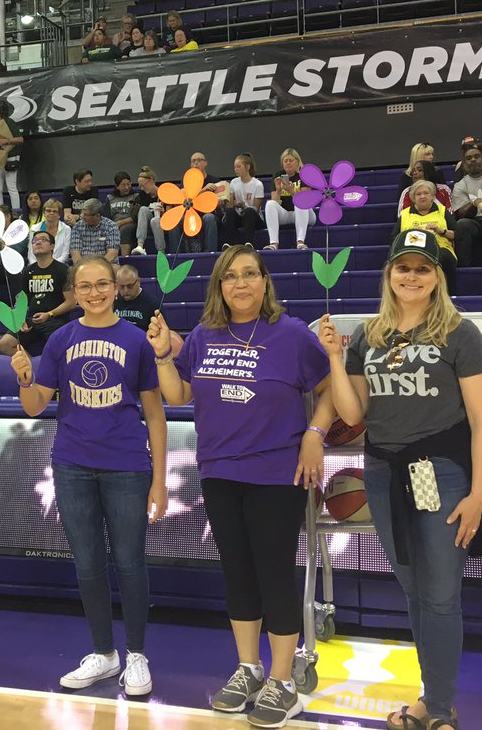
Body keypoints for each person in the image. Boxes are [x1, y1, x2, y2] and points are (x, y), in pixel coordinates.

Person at [319, 229, 482, 730]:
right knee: (416, 591)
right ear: (389, 274)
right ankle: (430, 697)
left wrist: (478, 494)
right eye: (403, 267)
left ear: (437, 276)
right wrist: (335, 357)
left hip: (440, 473)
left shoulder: (460, 334)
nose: (411, 276)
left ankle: (439, 708)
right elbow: (355, 412)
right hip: (383, 473)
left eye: (422, 268)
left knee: (440, 594)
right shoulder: (369, 335)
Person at [148, 246, 332, 729]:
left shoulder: (292, 335)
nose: (241, 284)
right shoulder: (205, 336)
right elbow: (179, 394)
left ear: (265, 282)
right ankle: (248, 668)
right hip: (219, 471)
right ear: (219, 287)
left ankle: (283, 682)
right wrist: (164, 354)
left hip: (276, 472)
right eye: (230, 277)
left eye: (250, 274)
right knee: (238, 572)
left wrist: (314, 435)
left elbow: (331, 389)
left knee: (273, 572)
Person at [11, 256, 168, 696]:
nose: (95, 293)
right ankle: (104, 652)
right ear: (73, 293)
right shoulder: (60, 339)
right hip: (72, 464)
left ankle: (136, 654)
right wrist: (25, 378)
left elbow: (155, 416)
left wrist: (159, 479)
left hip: (127, 466)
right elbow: (35, 405)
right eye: (85, 286)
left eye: (103, 284)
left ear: (116, 289)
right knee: (87, 564)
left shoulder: (136, 341)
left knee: (131, 562)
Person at [0, 231, 74, 357]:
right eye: (35, 240)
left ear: (52, 246)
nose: (38, 242)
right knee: (4, 344)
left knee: (58, 348)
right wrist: (21, 319)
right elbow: (21, 301)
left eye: (43, 239)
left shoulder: (62, 270)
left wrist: (49, 314)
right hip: (32, 320)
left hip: (56, 320)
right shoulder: (28, 272)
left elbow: (71, 303)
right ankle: (31, 369)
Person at [397, 180, 459, 293]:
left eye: (426, 193)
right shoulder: (405, 214)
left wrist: (441, 231)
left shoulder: (442, 211)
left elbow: (457, 235)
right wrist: (410, 234)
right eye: (418, 194)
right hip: (413, 248)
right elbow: (394, 239)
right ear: (413, 198)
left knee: (443, 257)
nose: (422, 196)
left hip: (440, 247)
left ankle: (447, 295)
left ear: (432, 196)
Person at [263, 148, 314, 250]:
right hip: (286, 214)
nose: (288, 163)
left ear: (297, 162)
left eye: (291, 160)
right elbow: (275, 202)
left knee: (300, 202)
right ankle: (274, 243)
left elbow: (306, 200)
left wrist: (291, 191)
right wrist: (278, 190)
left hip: (306, 215)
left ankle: (300, 242)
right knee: (270, 204)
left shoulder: (303, 176)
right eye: (285, 161)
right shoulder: (278, 175)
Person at [0, 98, 24, 212]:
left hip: (10, 156)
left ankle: (16, 212)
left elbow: (20, 139)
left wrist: (7, 141)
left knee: (11, 187)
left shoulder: (9, 122)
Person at [222, 153, 264, 248]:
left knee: (249, 211)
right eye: (235, 167)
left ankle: (248, 243)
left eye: (238, 167)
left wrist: (244, 206)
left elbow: (255, 209)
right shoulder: (234, 182)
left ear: (247, 167)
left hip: (253, 217)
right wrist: (229, 202)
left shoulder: (257, 184)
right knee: (230, 212)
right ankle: (230, 244)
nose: (235, 169)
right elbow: (229, 205)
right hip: (240, 215)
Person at [132, 167, 166, 256]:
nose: (142, 188)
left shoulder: (163, 193)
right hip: (147, 225)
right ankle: (140, 245)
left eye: (143, 185)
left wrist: (163, 212)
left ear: (151, 181)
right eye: (140, 186)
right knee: (143, 209)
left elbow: (171, 214)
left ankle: (161, 252)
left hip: (162, 223)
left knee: (155, 221)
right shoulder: (142, 194)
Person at [114, 264, 159, 331]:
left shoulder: (152, 303)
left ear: (138, 281)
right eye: (121, 286)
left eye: (130, 286)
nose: (126, 291)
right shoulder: (112, 301)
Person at [107, 172, 140, 256]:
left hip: (130, 223)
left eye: (128, 184)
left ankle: (124, 257)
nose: (127, 187)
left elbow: (134, 217)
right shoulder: (110, 198)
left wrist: (119, 223)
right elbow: (106, 216)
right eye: (123, 185)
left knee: (125, 229)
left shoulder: (135, 197)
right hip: (114, 223)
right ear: (117, 186)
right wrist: (113, 224)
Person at [30, 198, 71, 264]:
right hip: (37, 265)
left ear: (59, 215)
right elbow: (31, 256)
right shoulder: (34, 229)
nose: (51, 213)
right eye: (48, 211)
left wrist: (51, 266)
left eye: (55, 211)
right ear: (44, 213)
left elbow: (65, 255)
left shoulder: (66, 229)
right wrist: (39, 266)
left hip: (59, 265)